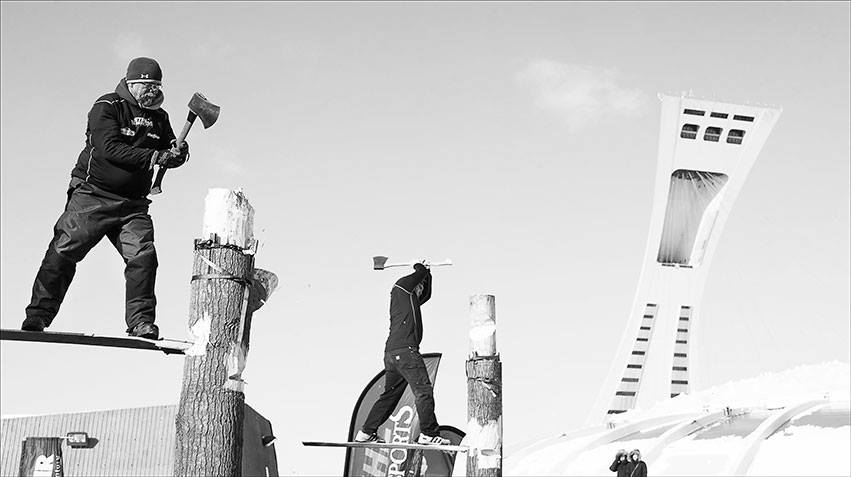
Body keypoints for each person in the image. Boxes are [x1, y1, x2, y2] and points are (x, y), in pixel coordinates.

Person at [21, 57, 189, 340]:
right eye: (147, 85)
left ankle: (141, 322)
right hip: (92, 196)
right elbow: (109, 148)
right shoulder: (107, 106)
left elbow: (169, 149)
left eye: (157, 86)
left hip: (133, 206)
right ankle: (38, 315)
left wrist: (178, 154)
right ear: (131, 83)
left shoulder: (160, 118)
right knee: (63, 251)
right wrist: (155, 156)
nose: (153, 90)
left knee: (144, 258)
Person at [355, 262, 451, 446]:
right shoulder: (401, 288)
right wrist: (420, 267)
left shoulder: (407, 301)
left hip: (393, 354)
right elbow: (417, 276)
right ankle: (429, 433)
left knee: (389, 396)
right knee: (423, 392)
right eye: (419, 287)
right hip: (407, 352)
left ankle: (366, 432)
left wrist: (428, 273)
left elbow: (427, 295)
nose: (421, 291)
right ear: (413, 286)